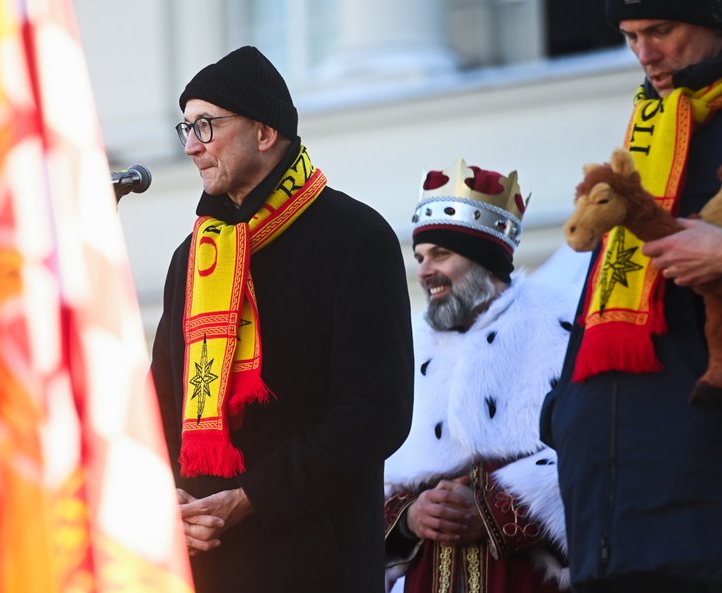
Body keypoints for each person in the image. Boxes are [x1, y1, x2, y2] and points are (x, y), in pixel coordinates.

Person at [150, 45, 414, 593]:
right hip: (202, 562)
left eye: (206, 126)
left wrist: (252, 498)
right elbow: (161, 402)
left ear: (265, 133)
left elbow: (375, 412)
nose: (192, 146)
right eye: (186, 128)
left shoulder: (354, 238)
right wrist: (168, 497)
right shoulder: (193, 256)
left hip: (313, 564)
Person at [541, 1, 722, 591]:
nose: (645, 54)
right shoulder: (648, 135)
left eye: (661, 30)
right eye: (630, 37)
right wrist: (564, 414)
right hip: (614, 523)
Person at [384, 160, 572, 593]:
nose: (424, 271)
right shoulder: (406, 345)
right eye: (420, 257)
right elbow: (376, 478)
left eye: (441, 255)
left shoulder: (559, 328)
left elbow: (596, 459)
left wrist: (494, 509)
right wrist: (411, 518)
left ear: (485, 261)